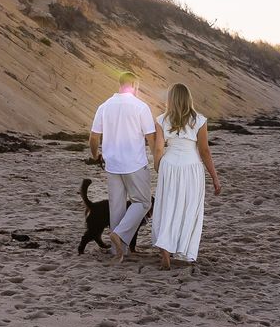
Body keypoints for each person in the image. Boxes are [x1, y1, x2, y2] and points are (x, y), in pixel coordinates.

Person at [149, 81, 221, 269]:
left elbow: (159, 148)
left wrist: (158, 166)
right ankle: (182, 248)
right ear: (189, 98)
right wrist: (214, 177)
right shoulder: (200, 121)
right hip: (191, 167)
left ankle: (165, 250)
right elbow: (204, 151)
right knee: (188, 208)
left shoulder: (161, 120)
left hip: (169, 165)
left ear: (170, 99)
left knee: (167, 206)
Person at [88, 71, 156, 261]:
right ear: (134, 85)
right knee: (143, 202)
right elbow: (151, 138)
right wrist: (157, 159)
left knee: (116, 207)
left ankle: (118, 251)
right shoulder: (141, 106)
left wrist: (95, 155)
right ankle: (120, 235)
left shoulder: (104, 106)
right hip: (135, 164)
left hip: (112, 165)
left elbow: (93, 137)